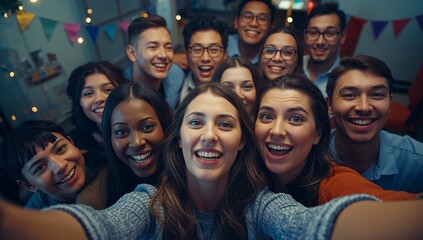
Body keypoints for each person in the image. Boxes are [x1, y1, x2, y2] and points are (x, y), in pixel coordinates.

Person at [1, 84, 423, 240]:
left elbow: (315, 226)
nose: (208, 134)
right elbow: (105, 227)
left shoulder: (262, 206)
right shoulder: (150, 203)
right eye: (196, 122)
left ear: (242, 143)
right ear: (179, 139)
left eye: (225, 123)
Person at [254, 75, 420, 207]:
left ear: (317, 134)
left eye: (296, 119)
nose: (276, 131)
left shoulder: (334, 181)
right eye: (267, 116)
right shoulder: (244, 171)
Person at [326, 55, 423, 193]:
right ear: (329, 104)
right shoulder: (308, 155)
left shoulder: (416, 162)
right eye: (349, 95)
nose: (364, 107)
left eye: (377, 95)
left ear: (389, 102)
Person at [101, 81, 172, 206]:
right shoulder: (103, 188)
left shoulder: (191, 177)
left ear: (165, 125)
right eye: (121, 132)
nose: (136, 142)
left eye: (147, 127)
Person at [0, 121, 86, 209]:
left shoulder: (98, 158)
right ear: (29, 185)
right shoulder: (35, 219)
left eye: (60, 149)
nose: (60, 166)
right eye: (40, 167)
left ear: (71, 143)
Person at [66, 61, 127, 179]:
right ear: (79, 103)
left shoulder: (140, 127)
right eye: (88, 93)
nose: (99, 99)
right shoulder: (73, 145)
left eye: (108, 90)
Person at [124, 15, 184, 109]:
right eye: (152, 47)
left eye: (168, 47)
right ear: (132, 53)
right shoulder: (119, 87)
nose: (163, 55)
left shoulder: (176, 76)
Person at [178, 14, 228, 103]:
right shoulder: (175, 90)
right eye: (197, 49)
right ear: (187, 55)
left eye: (213, 50)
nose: (205, 58)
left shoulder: (234, 91)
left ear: (225, 55)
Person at [303, 2, 346, 97]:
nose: (320, 41)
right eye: (313, 32)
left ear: (342, 37)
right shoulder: (291, 67)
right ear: (305, 36)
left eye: (329, 33)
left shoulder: (348, 78)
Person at [228, 0, 276, 64]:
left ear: (271, 27)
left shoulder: (275, 55)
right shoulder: (222, 44)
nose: (254, 24)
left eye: (262, 18)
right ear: (236, 22)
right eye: (248, 16)